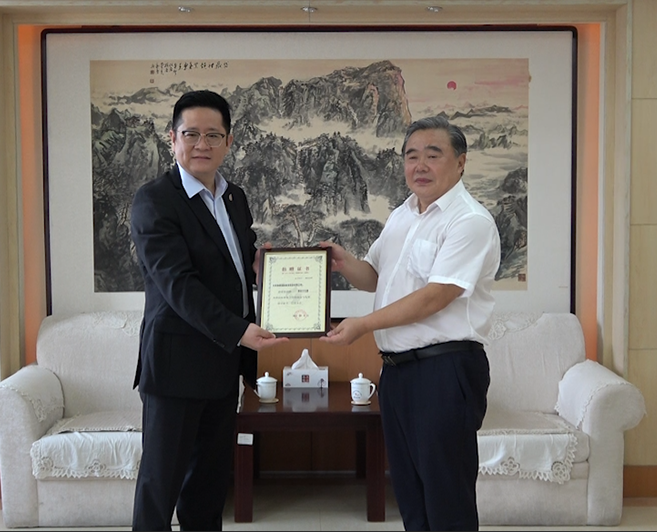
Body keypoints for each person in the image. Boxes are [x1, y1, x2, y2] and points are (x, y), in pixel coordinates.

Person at [319, 116, 501, 531]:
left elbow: (435, 297)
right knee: (411, 496)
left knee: (446, 497)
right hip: (398, 372)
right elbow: (375, 276)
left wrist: (363, 324)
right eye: (411, 156)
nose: (419, 165)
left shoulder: (469, 221)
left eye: (433, 155)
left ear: (460, 162)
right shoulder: (403, 214)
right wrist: (343, 262)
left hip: (445, 370)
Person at [130, 89, 288, 531]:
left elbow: (237, 261)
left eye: (214, 135)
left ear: (228, 141)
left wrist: (263, 266)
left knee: (208, 487)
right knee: (160, 487)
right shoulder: (154, 200)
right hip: (176, 367)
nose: (203, 144)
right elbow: (178, 285)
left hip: (221, 365)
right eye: (191, 134)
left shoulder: (234, 197)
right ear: (173, 138)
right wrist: (239, 330)